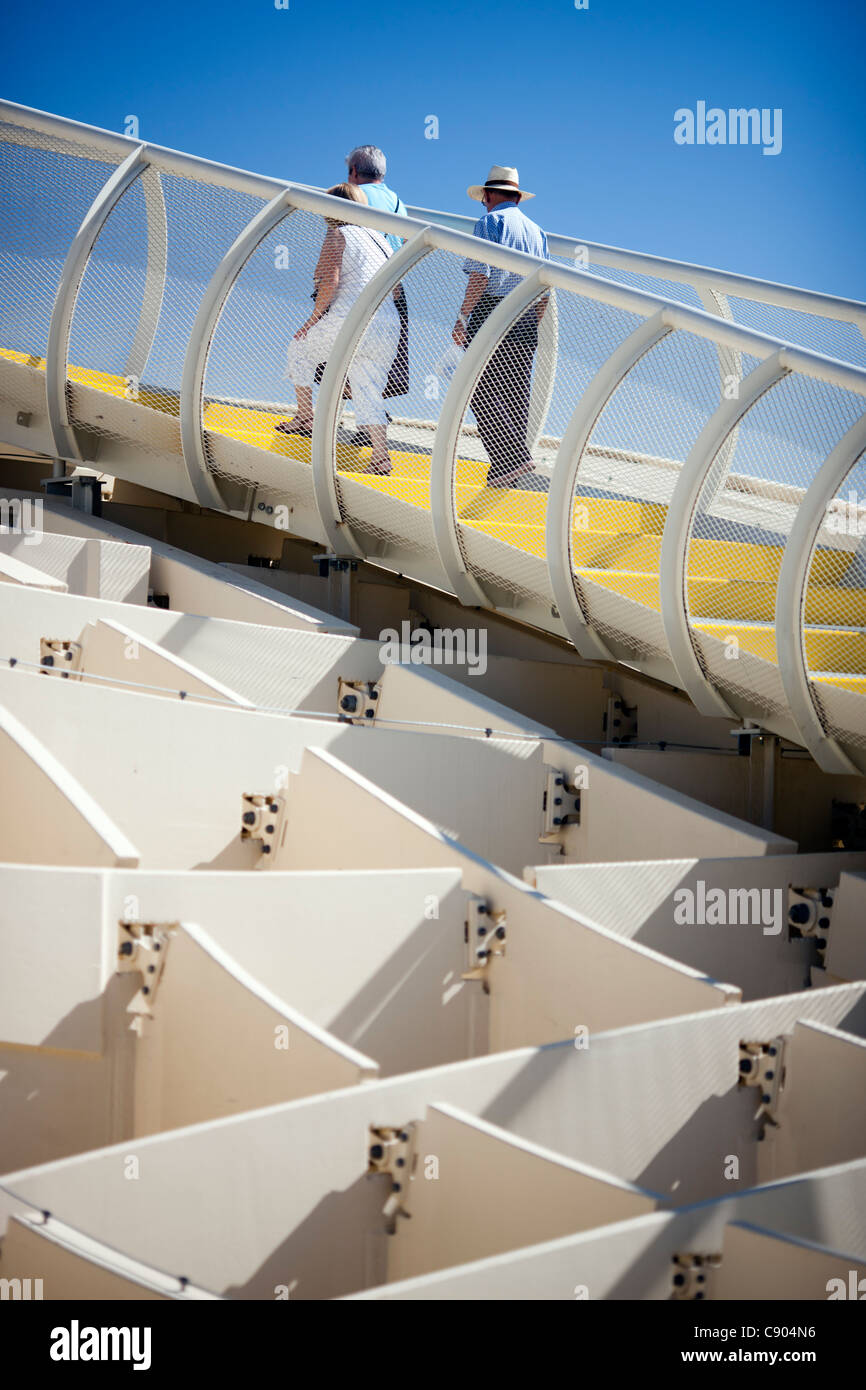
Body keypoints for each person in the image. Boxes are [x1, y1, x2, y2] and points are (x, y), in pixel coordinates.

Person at [279, 184, 400, 476]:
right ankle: (380, 457)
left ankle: (305, 417)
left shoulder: (338, 233)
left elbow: (329, 282)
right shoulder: (382, 240)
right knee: (367, 384)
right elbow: (396, 291)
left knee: (300, 348)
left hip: (350, 319)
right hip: (387, 325)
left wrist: (312, 320)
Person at [452, 165, 550, 488]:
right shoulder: (538, 233)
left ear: (489, 195)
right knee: (515, 392)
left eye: (484, 199)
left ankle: (511, 459)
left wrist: (463, 317)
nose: (484, 204)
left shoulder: (489, 223)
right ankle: (507, 468)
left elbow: (480, 275)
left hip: (492, 312)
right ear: (518, 197)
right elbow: (546, 290)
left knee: (478, 387)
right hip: (526, 315)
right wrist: (531, 320)